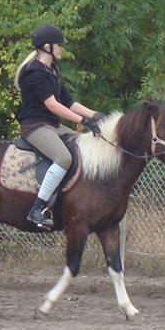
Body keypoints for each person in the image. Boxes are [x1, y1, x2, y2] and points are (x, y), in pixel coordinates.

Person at [14, 24, 105, 230]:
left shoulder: (52, 70)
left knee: (85, 145)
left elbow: (69, 102)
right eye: (59, 45)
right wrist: (83, 121)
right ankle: (38, 208)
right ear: (47, 47)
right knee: (63, 158)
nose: (62, 48)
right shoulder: (35, 72)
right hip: (35, 127)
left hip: (53, 125)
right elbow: (53, 105)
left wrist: (95, 115)